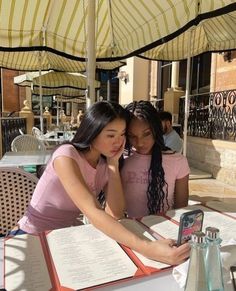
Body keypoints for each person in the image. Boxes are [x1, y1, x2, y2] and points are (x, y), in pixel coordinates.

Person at [18, 101, 189, 265]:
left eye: (122, 135)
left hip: (65, 238)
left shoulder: (103, 163)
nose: (119, 141)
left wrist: (113, 164)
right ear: (93, 131)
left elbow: (115, 214)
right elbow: (93, 212)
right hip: (33, 237)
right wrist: (148, 248)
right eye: (111, 135)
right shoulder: (66, 156)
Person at [121, 101, 189, 218]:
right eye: (132, 136)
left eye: (146, 134)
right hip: (129, 229)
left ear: (156, 130)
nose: (140, 142)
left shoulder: (178, 161)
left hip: (164, 229)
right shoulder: (121, 159)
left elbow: (181, 208)